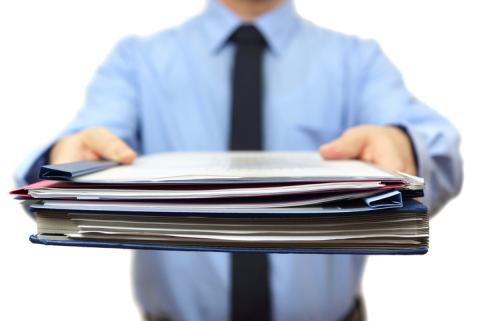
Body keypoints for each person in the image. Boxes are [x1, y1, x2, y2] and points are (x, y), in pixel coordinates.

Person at [16, 0, 463, 320]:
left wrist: (402, 146)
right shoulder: (138, 61)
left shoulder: (357, 61)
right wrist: (64, 162)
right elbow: (90, 138)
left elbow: (438, 149)